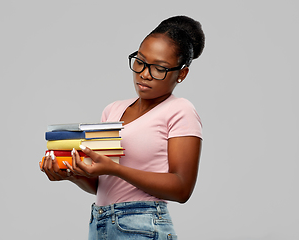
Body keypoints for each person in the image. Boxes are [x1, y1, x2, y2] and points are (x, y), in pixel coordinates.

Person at [41, 15, 205, 240]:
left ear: (182, 74)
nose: (144, 74)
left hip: (143, 225)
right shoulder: (112, 110)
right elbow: (102, 184)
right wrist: (71, 173)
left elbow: (182, 188)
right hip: (100, 222)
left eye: (159, 68)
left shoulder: (180, 110)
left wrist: (115, 169)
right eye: (140, 61)